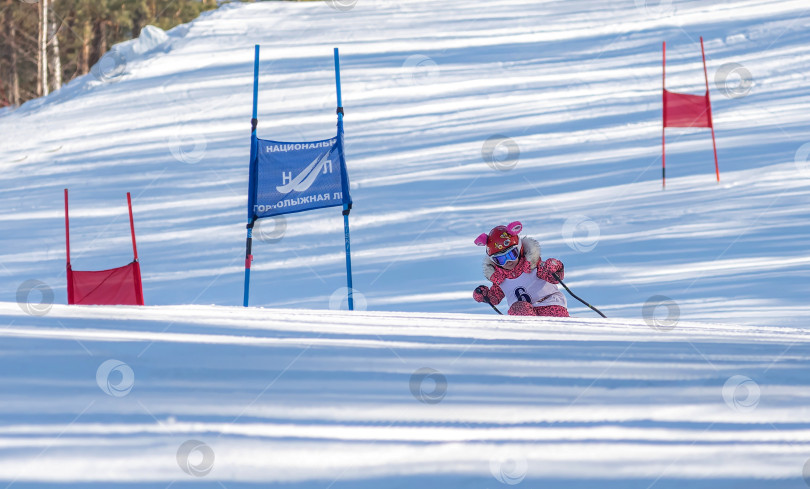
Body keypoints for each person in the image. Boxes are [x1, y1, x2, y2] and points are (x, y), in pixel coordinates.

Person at [472, 221, 569, 317]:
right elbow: (494, 298)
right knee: (518, 308)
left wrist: (554, 266)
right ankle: (528, 330)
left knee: (521, 309)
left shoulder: (534, 266)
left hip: (551, 306)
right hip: (525, 313)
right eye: (500, 259)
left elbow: (556, 277)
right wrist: (484, 296)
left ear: (520, 249)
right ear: (493, 261)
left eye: (511, 254)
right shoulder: (500, 279)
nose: (508, 261)